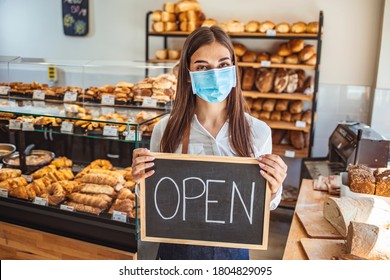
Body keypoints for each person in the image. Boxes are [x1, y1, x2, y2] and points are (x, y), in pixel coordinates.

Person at [132, 26, 288, 260]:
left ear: (234, 69)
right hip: (176, 253)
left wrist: (275, 188)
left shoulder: (258, 132)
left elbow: (262, 207)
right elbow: (156, 202)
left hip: (233, 256)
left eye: (223, 65)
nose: (215, 74)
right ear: (187, 73)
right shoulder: (166, 129)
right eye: (203, 67)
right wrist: (140, 183)